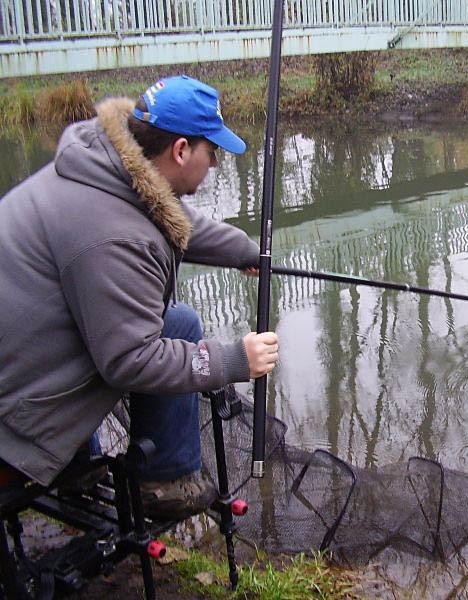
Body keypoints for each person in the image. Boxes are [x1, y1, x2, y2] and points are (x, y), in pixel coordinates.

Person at [0, 75, 278, 520]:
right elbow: (131, 358)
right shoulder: (115, 236)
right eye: (214, 153)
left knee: (178, 320)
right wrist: (233, 361)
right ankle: (161, 484)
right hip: (12, 420)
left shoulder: (106, 165)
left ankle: (88, 460)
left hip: (24, 359)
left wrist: (247, 251)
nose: (216, 166)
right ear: (181, 150)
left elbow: (176, 219)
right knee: (170, 331)